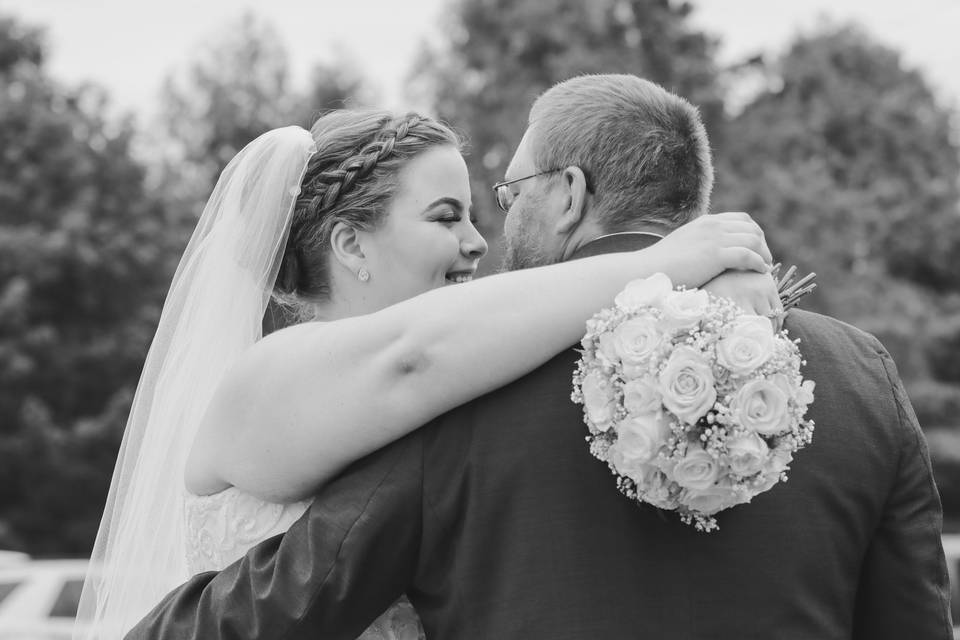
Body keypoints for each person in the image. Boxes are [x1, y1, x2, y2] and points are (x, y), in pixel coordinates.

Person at [128, 74, 952, 640]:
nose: (486, 237)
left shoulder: (473, 389)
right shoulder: (857, 376)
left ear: (568, 194)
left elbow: (276, 604)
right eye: (449, 215)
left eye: (508, 195)